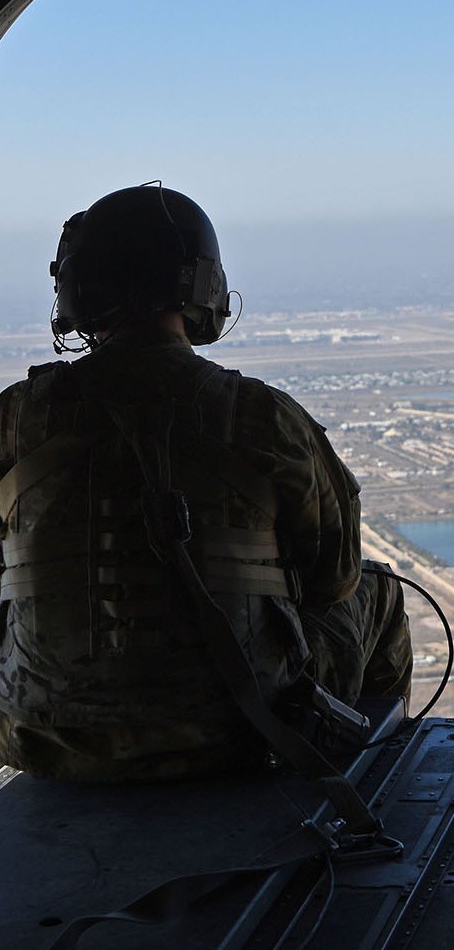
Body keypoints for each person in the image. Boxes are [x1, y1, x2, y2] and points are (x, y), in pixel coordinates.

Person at [0, 184, 412, 782]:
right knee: (378, 586)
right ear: (202, 288)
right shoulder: (261, 416)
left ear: (76, 288)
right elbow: (334, 577)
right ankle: (373, 785)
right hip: (239, 731)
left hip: (44, 737)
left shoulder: (16, 418)